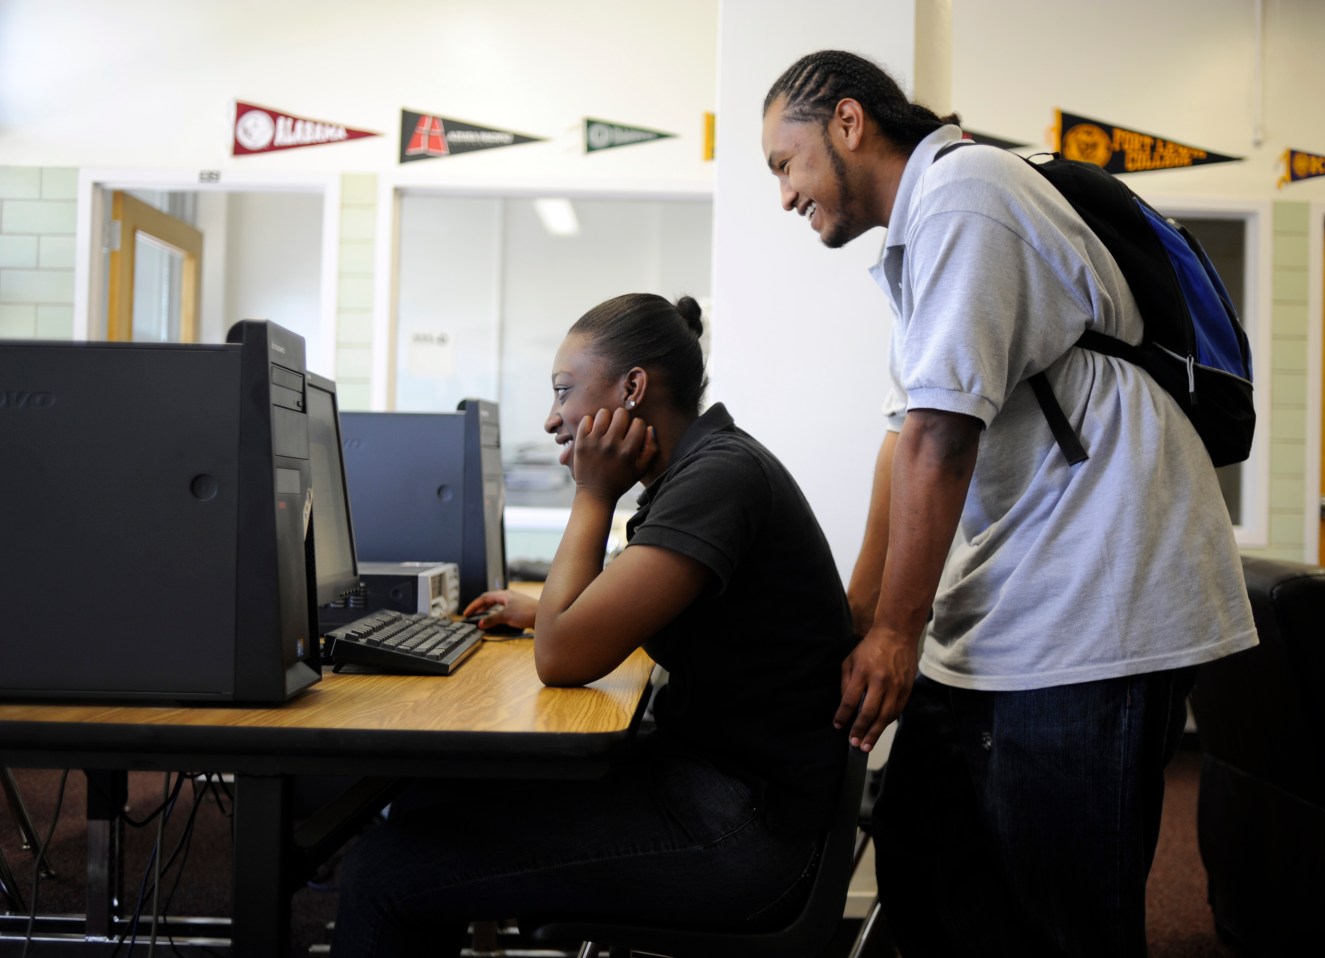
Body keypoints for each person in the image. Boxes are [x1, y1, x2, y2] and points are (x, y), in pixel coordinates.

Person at [760, 51, 1258, 957]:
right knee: (925, 868)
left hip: (1097, 603)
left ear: (846, 122)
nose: (784, 195)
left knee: (1060, 917)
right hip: (1018, 601)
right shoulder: (922, 241)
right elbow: (901, 441)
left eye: (782, 164)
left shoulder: (968, 192)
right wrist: (862, 621)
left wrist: (895, 637)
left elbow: (939, 441)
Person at [329, 293, 855, 956]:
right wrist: (547, 606)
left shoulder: (719, 478)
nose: (552, 419)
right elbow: (599, 611)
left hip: (743, 832)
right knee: (424, 804)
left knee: (386, 871)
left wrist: (593, 493)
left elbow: (563, 656)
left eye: (564, 392)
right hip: (717, 788)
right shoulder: (705, 466)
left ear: (633, 388)